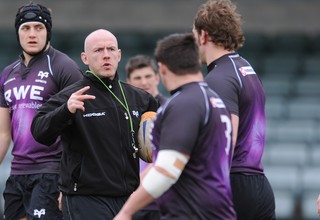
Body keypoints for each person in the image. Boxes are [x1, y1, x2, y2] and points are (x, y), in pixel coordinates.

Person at [30, 29, 158, 220]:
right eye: (98, 50)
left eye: (111, 49)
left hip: (128, 198)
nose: (106, 55)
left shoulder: (141, 99)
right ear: (85, 58)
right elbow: (39, 131)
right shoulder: (72, 96)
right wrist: (66, 110)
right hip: (85, 199)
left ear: (119, 55)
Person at [0, 2, 83, 219]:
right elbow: (1, 131)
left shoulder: (64, 67)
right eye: (26, 28)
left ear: (47, 32)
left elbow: (83, 128)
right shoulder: (8, 73)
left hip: (52, 174)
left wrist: (70, 180)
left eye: (38, 28)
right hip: (18, 174)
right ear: (18, 33)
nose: (32, 34)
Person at [115, 33, 236, 219]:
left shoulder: (184, 103)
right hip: (218, 208)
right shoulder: (213, 99)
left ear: (162, 69)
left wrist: (126, 212)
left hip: (192, 212)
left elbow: (167, 168)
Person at [192, 0, 275, 219]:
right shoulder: (246, 68)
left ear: (204, 36)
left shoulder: (218, 78)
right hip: (259, 185)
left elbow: (224, 143)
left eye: (194, 35)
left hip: (232, 186)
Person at [124, 54, 168, 220]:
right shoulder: (125, 113)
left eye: (148, 76)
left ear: (157, 77)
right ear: (128, 81)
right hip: (131, 198)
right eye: (137, 78)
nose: (144, 82)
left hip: (161, 199)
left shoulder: (170, 109)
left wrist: (140, 183)